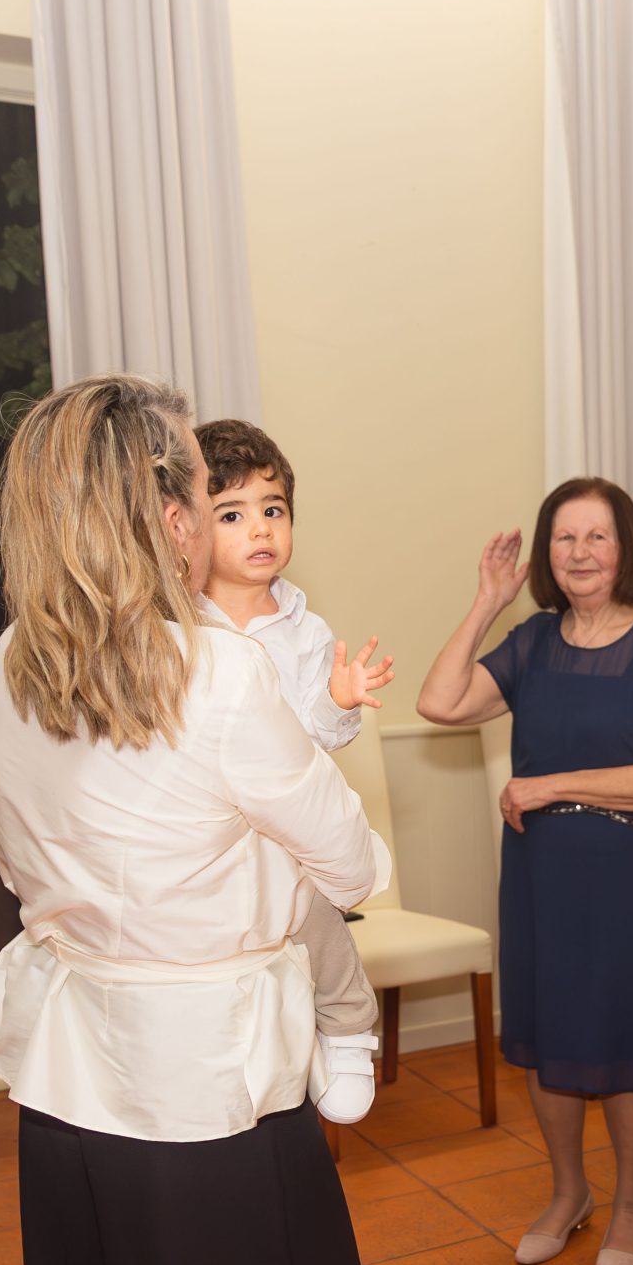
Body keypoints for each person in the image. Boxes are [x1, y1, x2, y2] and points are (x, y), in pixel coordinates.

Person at [0, 373, 417, 1265]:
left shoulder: (16, 659)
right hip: (210, 1112)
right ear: (165, 515)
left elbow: (21, 851)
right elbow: (353, 861)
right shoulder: (215, 671)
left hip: (68, 1099)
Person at [415, 478, 633, 1265]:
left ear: (626, 548)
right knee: (548, 1038)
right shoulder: (533, 642)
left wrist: (549, 785)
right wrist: (487, 602)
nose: (579, 552)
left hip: (626, 877)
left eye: (597, 536)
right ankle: (569, 1191)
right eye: (564, 537)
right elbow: (438, 701)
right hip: (541, 878)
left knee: (622, 1036)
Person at [192, 416, 395, 1123]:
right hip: (207, 823)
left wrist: (339, 702)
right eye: (233, 514)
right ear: (188, 526)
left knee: (314, 917)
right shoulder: (177, 625)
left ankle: (348, 1030)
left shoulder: (306, 630)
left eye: (273, 510)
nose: (260, 529)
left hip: (282, 819)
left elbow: (313, 741)